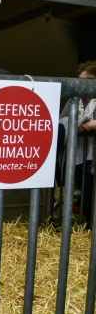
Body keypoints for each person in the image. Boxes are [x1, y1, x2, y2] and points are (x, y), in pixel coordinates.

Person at [58, 60, 96, 227]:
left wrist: (89, 125)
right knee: (86, 195)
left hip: (93, 154)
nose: (83, 84)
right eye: (81, 80)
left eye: (88, 80)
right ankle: (90, 227)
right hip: (79, 157)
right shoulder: (74, 100)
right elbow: (62, 120)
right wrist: (75, 123)